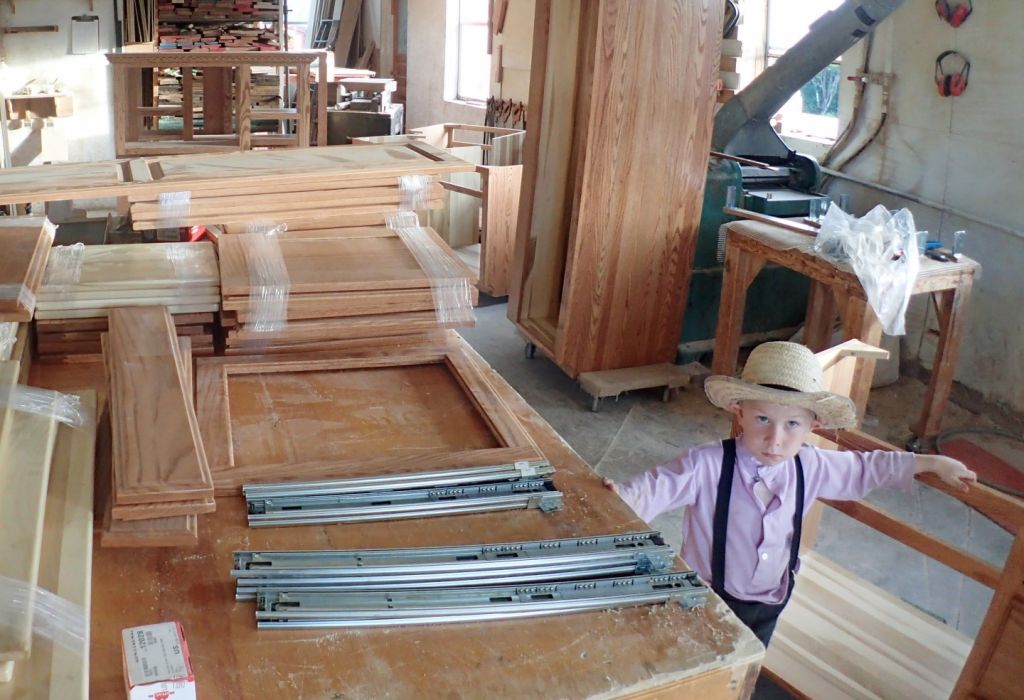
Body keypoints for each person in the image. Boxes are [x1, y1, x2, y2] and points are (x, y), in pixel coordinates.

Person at [604, 341, 975, 647]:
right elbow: (657, 487)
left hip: (770, 601)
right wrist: (620, 497)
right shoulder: (709, 464)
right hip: (705, 597)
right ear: (740, 412)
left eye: (792, 424)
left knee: (746, 662)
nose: (775, 439)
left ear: (814, 425)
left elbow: (866, 468)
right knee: (698, 663)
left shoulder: (812, 465)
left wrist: (927, 463)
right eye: (762, 419)